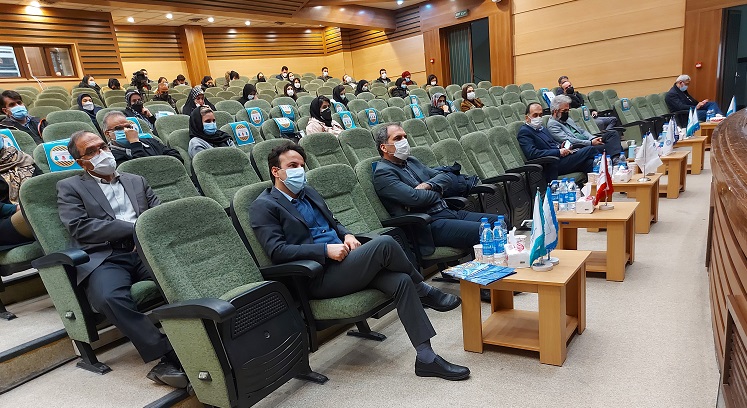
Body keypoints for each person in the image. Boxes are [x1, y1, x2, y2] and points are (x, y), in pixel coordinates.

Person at [250, 142, 470, 381]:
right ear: (276, 171)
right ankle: (425, 291)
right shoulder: (264, 206)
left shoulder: (309, 192)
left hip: (346, 262)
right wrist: (324, 250)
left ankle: (426, 359)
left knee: (401, 281)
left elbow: (334, 222)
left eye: (302, 165)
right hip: (318, 275)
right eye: (292, 165)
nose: (299, 171)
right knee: (384, 243)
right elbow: (277, 251)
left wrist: (347, 235)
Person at [57, 130, 188, 389]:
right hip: (106, 256)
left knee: (183, 275)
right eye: (91, 151)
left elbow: (157, 213)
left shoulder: (136, 180)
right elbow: (79, 227)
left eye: (102, 147)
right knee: (108, 297)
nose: (101, 153)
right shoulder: (70, 187)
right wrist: (135, 228)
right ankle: (168, 354)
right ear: (81, 162)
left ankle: (207, 334)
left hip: (146, 250)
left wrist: (145, 234)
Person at [373, 123, 499, 255]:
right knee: (485, 231)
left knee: (499, 222)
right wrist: (439, 191)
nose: (404, 141)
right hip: (428, 224)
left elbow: (446, 177)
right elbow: (415, 198)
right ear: (384, 147)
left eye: (405, 137)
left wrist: (428, 185)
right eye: (398, 138)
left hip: (447, 212)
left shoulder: (411, 161)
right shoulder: (383, 173)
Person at [517, 103, 596, 184]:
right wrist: (558, 152)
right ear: (527, 118)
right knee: (590, 150)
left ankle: (596, 188)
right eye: (535, 115)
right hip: (551, 165)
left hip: (560, 159)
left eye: (540, 115)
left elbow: (552, 144)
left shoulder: (542, 129)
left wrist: (560, 147)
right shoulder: (525, 132)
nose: (538, 118)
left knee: (589, 163)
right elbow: (532, 154)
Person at [546, 95, 622, 159]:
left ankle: (616, 159)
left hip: (588, 141)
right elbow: (569, 140)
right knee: (612, 146)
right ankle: (616, 160)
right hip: (580, 147)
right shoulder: (552, 125)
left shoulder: (567, 119)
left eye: (568, 110)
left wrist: (593, 138)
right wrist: (590, 143)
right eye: (564, 111)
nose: (567, 113)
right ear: (555, 111)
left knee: (612, 134)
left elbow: (582, 131)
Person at [102, 111, 182, 166]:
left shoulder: (150, 140)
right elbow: (140, 169)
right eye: (118, 128)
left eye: (128, 126)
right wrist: (135, 143)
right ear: (108, 134)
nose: (126, 130)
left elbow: (177, 157)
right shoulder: (110, 156)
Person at [0, 144, 38, 249]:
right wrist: (16, 208)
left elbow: (41, 184)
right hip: (4, 218)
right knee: (37, 214)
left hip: (31, 207)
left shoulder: (20, 157)